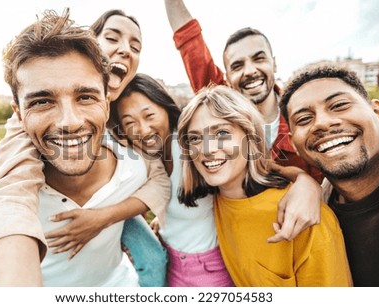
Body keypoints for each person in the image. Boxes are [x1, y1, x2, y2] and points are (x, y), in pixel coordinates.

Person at [0, 9, 170, 286]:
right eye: (42, 102)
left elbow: (157, 174)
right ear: (18, 113)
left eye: (85, 96)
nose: (70, 122)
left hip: (120, 278)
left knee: (153, 258)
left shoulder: (133, 157)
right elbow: (7, 203)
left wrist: (103, 217)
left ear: (106, 100)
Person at [107, 73, 328, 286]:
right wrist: (161, 221)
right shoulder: (143, 159)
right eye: (130, 122)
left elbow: (254, 164)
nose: (143, 129)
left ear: (165, 109)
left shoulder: (191, 146)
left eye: (149, 115)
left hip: (209, 269)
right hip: (173, 265)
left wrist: (304, 181)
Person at [164, 0, 324, 240]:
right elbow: (190, 42)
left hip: (299, 242)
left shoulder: (306, 120)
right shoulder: (218, 106)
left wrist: (312, 187)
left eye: (259, 59)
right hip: (234, 241)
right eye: (237, 65)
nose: (249, 71)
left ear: (274, 63)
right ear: (227, 77)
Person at [177, 84, 352, 286]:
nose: (206, 150)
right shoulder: (209, 201)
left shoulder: (306, 219)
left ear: (250, 138)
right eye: (195, 138)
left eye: (222, 133)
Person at [279, 64, 379, 286]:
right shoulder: (314, 210)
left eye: (338, 105)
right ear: (294, 144)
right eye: (304, 119)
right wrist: (303, 179)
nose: (322, 123)